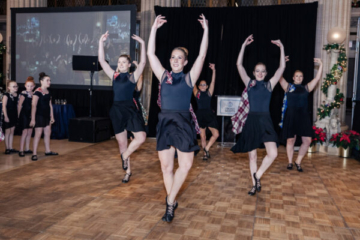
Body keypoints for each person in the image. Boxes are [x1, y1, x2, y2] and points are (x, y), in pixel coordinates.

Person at [147, 14, 208, 222]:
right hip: (164, 122)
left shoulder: (190, 78)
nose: (175, 60)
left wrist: (206, 31)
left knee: (186, 165)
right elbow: (150, 54)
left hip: (182, 123)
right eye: (172, 57)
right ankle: (171, 205)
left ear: (185, 61)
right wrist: (153, 28)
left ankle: (170, 200)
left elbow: (202, 56)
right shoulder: (163, 76)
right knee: (166, 167)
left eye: (179, 57)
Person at [231, 34, 285, 196]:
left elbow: (281, 69)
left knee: (273, 153)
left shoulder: (269, 85)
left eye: (263, 71)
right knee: (252, 157)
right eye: (257, 71)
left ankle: (258, 175)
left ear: (266, 73)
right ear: (254, 72)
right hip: (252, 121)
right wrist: (243, 46)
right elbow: (239, 65)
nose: (260, 73)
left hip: (266, 121)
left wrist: (282, 48)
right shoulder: (249, 83)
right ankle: (255, 185)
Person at [98, 32, 146, 183]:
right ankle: (128, 172)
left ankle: (124, 156)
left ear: (129, 64)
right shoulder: (114, 76)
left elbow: (143, 63)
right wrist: (101, 42)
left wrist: (143, 44)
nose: (120, 64)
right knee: (122, 143)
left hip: (130, 110)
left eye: (124, 62)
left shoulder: (132, 77)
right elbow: (101, 60)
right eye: (119, 62)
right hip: (117, 111)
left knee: (141, 137)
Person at [279, 58, 323, 172]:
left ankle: (298, 161)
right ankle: (289, 162)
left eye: (301, 76)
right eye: (296, 76)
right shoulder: (288, 87)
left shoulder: (306, 88)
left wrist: (321, 64)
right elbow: (279, 76)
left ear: (302, 78)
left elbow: (317, 78)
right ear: (293, 78)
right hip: (291, 116)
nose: (299, 78)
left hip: (303, 117)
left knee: (307, 141)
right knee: (290, 141)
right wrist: (282, 63)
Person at [193, 63, 219, 160]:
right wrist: (195, 68)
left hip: (209, 115)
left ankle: (207, 148)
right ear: (199, 86)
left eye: (205, 84)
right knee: (203, 137)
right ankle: (205, 154)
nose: (203, 86)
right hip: (200, 116)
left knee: (216, 134)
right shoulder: (196, 93)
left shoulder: (209, 92)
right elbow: (193, 80)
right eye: (201, 84)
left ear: (207, 86)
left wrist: (214, 70)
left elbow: (213, 82)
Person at [30, 72, 58, 161]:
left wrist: (52, 116)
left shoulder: (48, 92)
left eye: (50, 80)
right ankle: (34, 153)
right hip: (39, 116)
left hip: (47, 116)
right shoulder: (37, 92)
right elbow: (34, 105)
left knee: (47, 133)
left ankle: (48, 150)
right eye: (47, 80)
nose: (49, 82)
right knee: (38, 134)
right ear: (41, 81)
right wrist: (33, 119)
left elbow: (50, 105)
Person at [18, 76, 36, 157]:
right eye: (28, 86)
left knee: (30, 131)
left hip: (31, 114)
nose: (29, 87)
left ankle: (27, 148)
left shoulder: (34, 94)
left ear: (34, 86)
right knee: (24, 132)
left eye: (31, 86)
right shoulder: (23, 94)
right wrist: (18, 115)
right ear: (25, 86)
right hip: (24, 114)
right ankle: (21, 150)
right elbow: (19, 105)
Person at [2, 81, 19, 154]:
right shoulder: (6, 95)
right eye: (13, 86)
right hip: (7, 115)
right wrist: (6, 116)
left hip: (14, 115)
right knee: (7, 132)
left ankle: (11, 147)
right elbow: (4, 106)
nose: (16, 88)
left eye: (16, 86)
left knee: (12, 131)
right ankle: (7, 148)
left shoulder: (17, 95)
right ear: (9, 87)